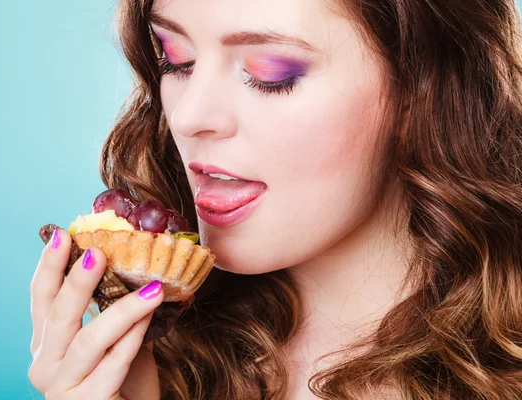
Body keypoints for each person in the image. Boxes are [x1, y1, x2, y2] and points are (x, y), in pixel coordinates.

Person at [28, 0, 522, 398]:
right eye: (175, 58)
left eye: (270, 72)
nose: (187, 117)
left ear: (421, 86)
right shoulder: (163, 362)